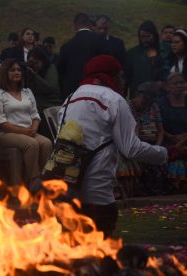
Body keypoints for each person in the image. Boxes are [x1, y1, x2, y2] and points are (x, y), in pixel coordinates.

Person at [54, 55, 167, 236]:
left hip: (67, 183)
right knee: (101, 237)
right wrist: (162, 153)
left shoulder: (70, 98)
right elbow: (131, 148)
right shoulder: (114, 99)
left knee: (72, 244)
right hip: (98, 186)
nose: (123, 81)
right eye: (120, 76)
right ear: (110, 75)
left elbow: (59, 141)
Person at [0, 58, 52, 187]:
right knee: (31, 144)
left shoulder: (27, 92)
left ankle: (46, 180)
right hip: (6, 134)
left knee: (47, 143)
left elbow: (35, 115)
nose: (17, 72)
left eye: (18, 70)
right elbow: (1, 123)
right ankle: (33, 181)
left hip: (28, 132)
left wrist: (33, 129)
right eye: (12, 70)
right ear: (5, 73)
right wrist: (25, 132)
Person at [57, 13, 110, 100]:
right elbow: (108, 65)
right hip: (97, 93)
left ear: (75, 26)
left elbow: (61, 74)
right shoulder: (101, 41)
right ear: (89, 24)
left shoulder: (65, 47)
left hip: (73, 95)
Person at [157, 72, 187, 193]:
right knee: (174, 151)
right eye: (176, 83)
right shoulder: (160, 104)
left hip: (185, 140)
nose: (180, 85)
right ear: (167, 87)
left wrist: (184, 138)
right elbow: (157, 126)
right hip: (167, 139)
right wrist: (170, 136)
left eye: (182, 83)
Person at [125, 20, 167, 98]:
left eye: (148, 36)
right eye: (142, 37)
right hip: (138, 97)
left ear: (154, 35)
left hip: (159, 98)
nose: (145, 39)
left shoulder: (163, 52)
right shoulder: (132, 53)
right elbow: (127, 78)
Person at [25, 47, 62, 121]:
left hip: (50, 107)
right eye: (31, 62)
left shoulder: (50, 68)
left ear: (43, 61)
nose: (34, 65)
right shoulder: (29, 71)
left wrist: (35, 76)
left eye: (36, 62)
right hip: (36, 109)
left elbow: (50, 88)